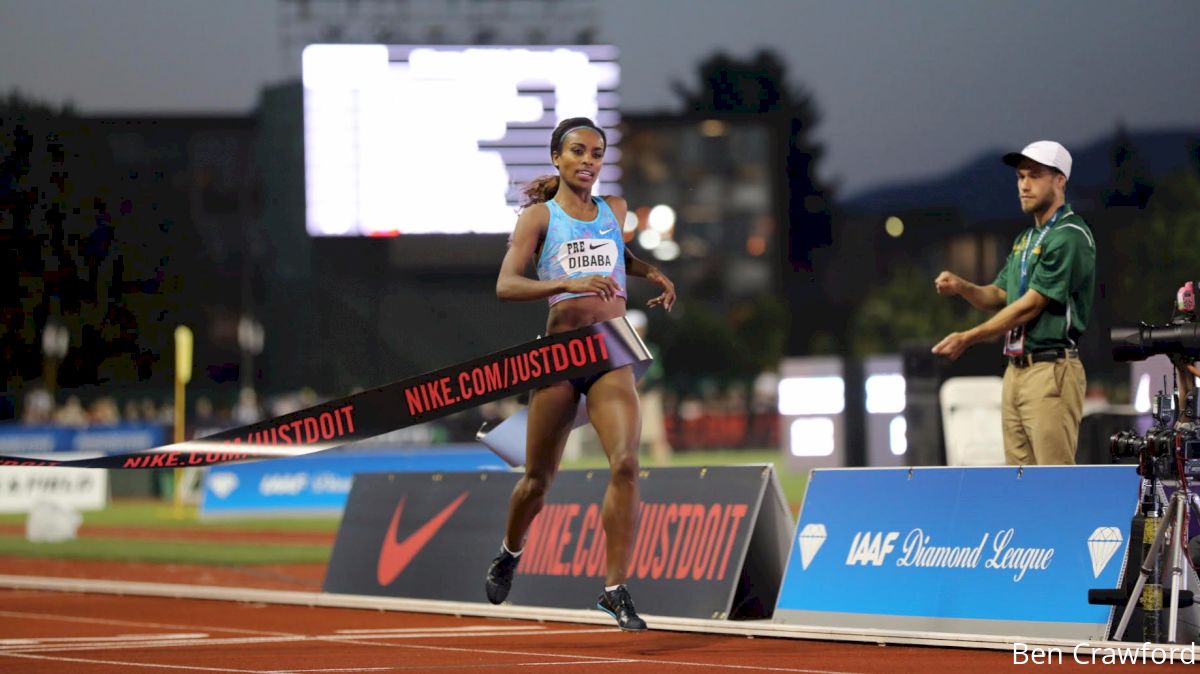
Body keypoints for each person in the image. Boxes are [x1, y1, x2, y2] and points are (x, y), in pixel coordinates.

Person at [484, 117, 676, 631]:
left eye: (596, 152)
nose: (589, 160)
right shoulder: (538, 219)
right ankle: (509, 550)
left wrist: (651, 271)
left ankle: (614, 589)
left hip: (611, 352)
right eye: (578, 151)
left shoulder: (613, 210)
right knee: (536, 482)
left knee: (626, 465)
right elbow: (506, 285)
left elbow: (620, 255)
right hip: (561, 357)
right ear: (557, 158)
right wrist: (566, 282)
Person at [932, 140, 1095, 466]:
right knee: (1017, 483)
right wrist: (963, 286)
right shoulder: (1026, 239)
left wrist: (969, 337)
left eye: (1034, 175)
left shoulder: (1069, 235)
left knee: (1053, 484)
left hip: (1051, 370)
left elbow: (1031, 305)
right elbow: (1001, 295)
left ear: (1060, 180)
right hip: (1016, 371)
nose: (1024, 184)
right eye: (1020, 177)